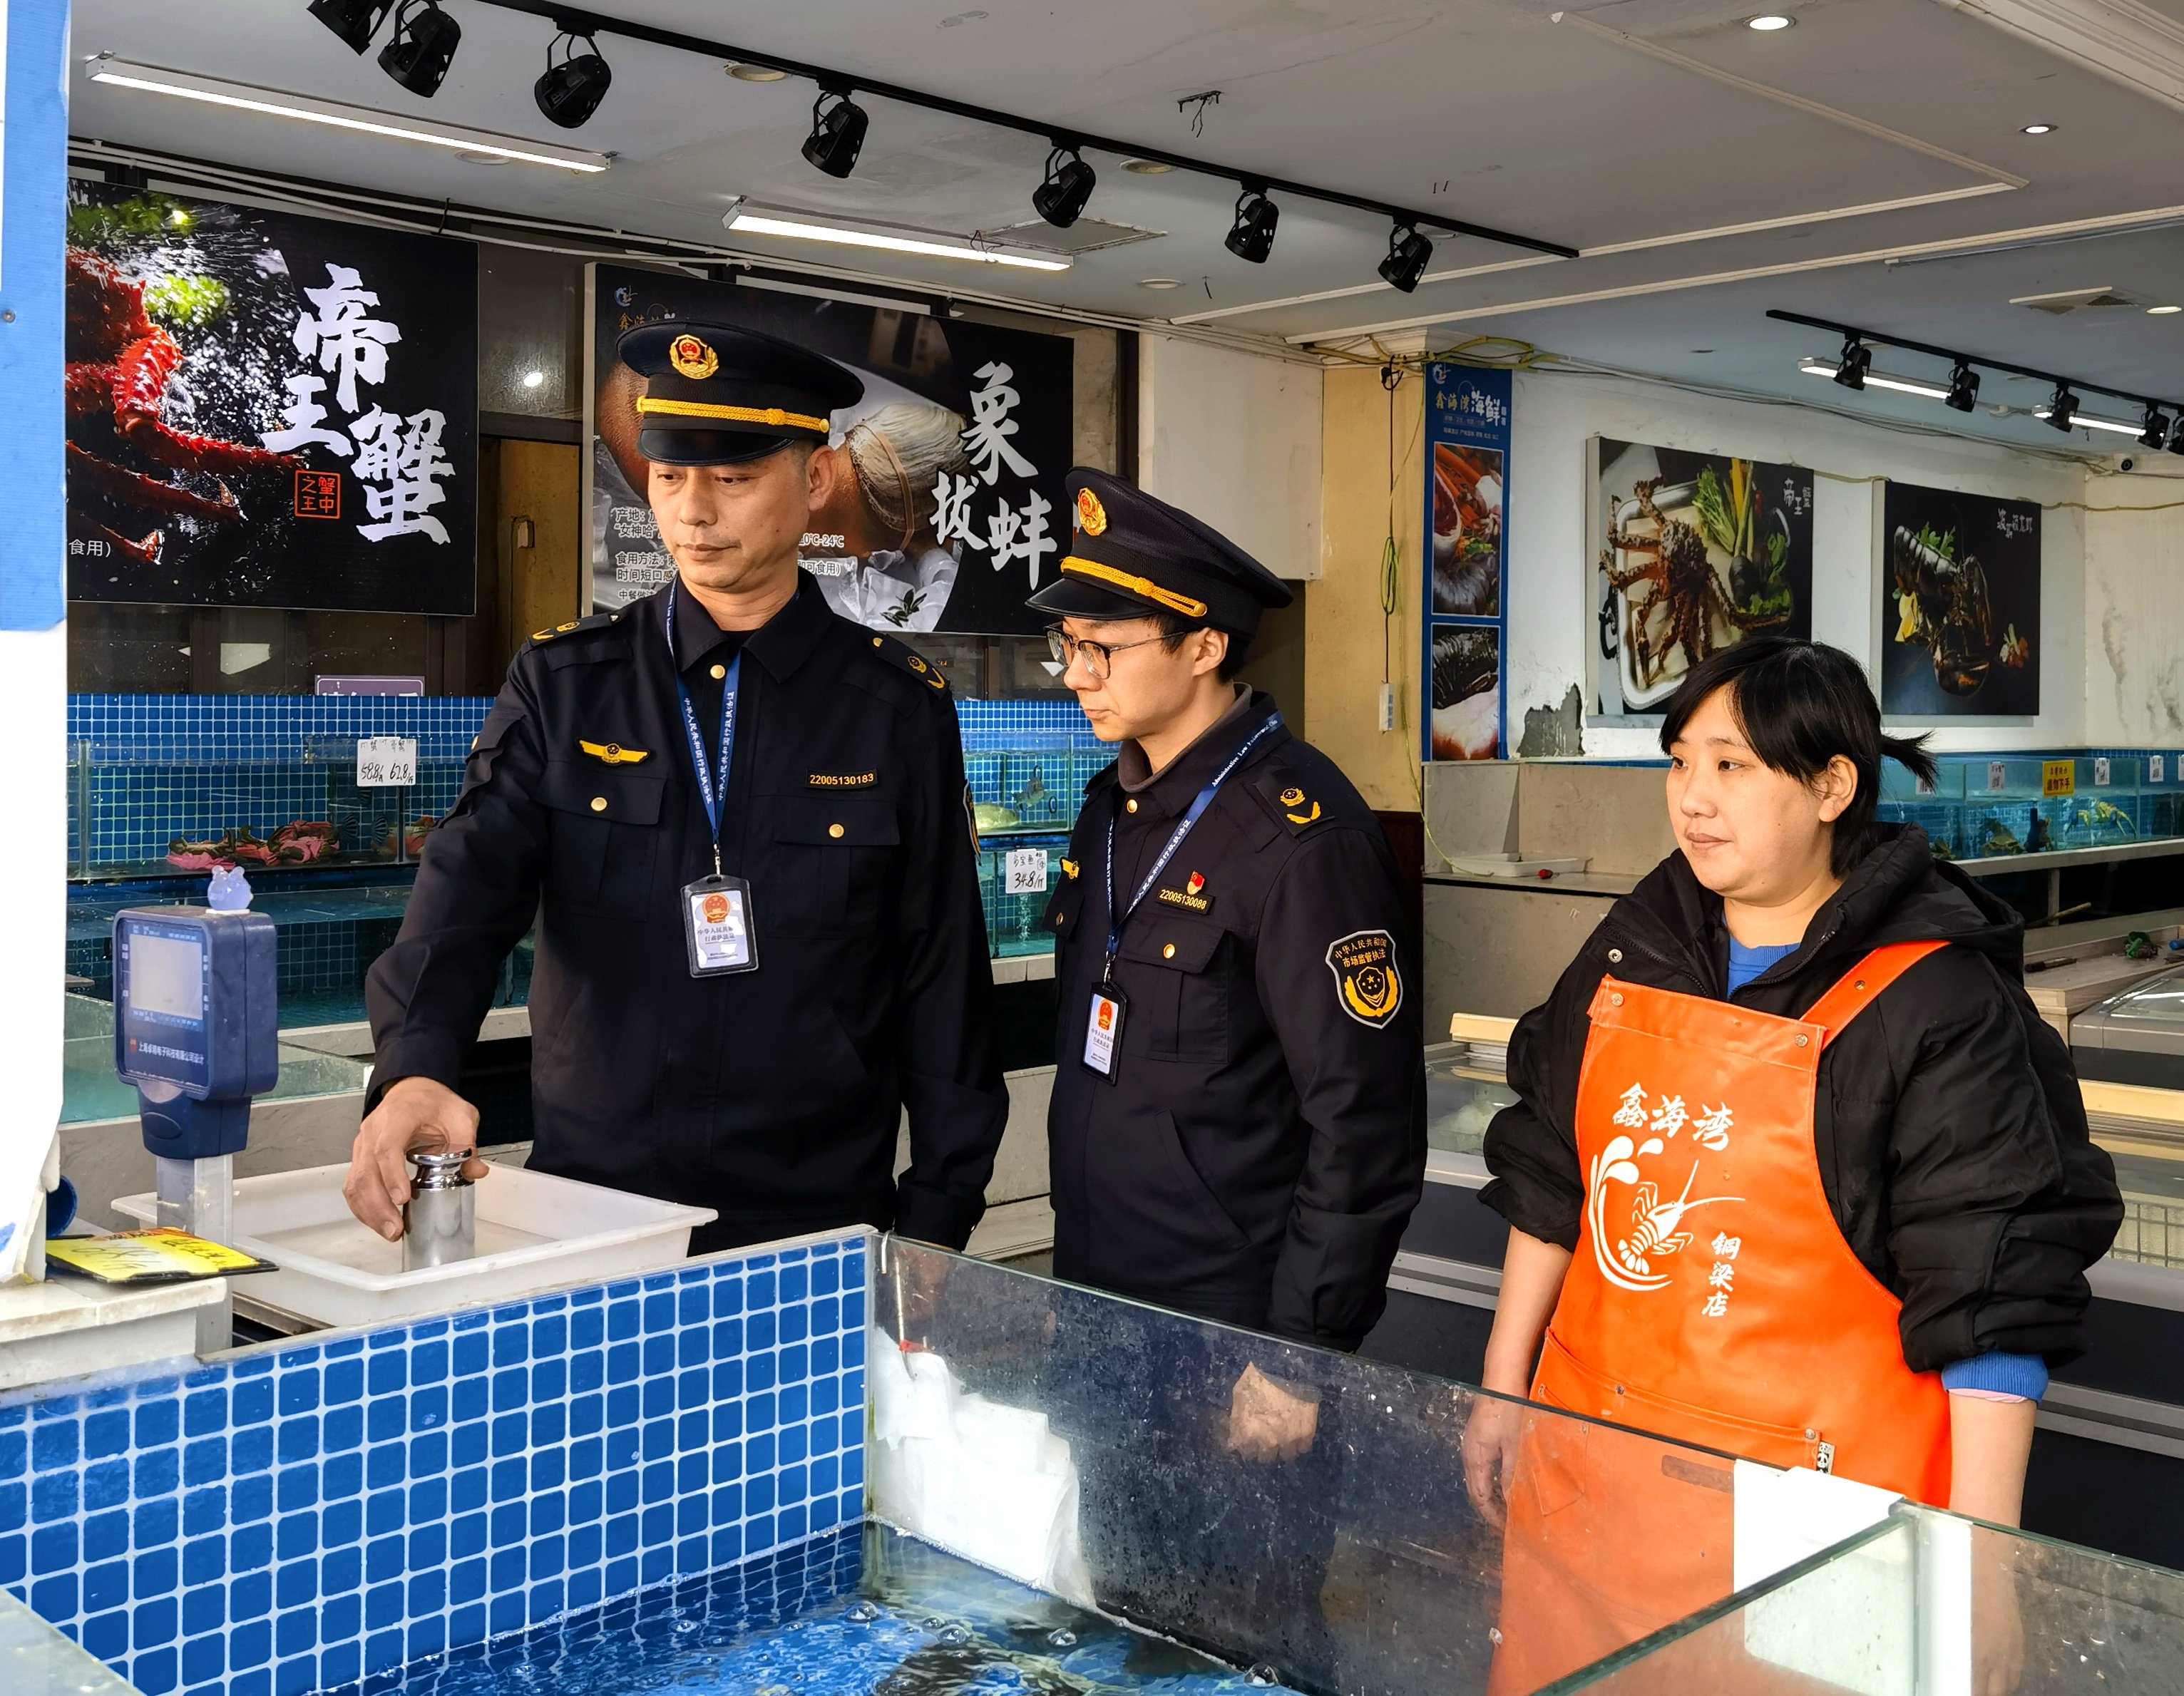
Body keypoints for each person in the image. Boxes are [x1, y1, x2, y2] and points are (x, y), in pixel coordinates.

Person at [1465, 637, 2122, 1694]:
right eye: (1681, 761)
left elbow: (1993, 1287)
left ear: (1831, 787)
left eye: (1731, 765)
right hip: (1592, 1481)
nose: (1693, 797)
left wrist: (1983, 1563)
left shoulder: (1937, 999)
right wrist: (1503, 1389)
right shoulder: (1635, 948)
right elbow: (1551, 1174)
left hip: (1815, 1525)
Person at [347, 320, 1010, 1256]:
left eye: (733, 479)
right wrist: (414, 1067)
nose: (693, 512)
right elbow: (464, 887)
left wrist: (939, 1217)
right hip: (593, 1206)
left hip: (813, 1215)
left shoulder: (894, 708)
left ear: (816, 478)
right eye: (668, 476)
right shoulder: (567, 684)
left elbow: (942, 973)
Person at [1027, 469, 1425, 1664]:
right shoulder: (1113, 812)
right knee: (1119, 1614)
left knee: (1246, 1640)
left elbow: (1364, 1121)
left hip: (1233, 1336)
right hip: (1103, 1307)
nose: (1078, 674)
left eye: (1103, 647)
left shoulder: (1301, 838)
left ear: (1203, 646)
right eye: (1068, 647)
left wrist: (1296, 1355)